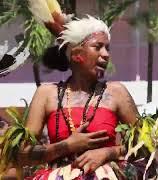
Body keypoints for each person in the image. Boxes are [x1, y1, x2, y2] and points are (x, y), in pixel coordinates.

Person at [12, 0, 139, 179]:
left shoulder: (116, 92)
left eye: (107, 48)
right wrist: (66, 146)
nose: (106, 54)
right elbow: (21, 155)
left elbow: (147, 145)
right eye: (98, 47)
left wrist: (108, 153)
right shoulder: (46, 94)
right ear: (76, 54)